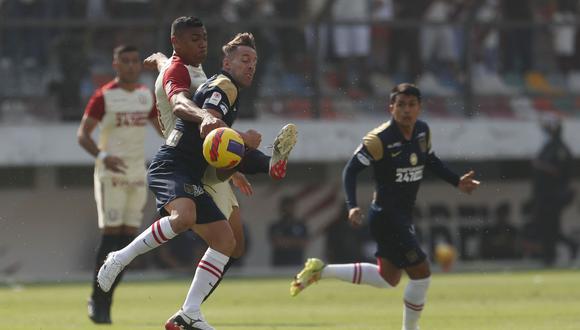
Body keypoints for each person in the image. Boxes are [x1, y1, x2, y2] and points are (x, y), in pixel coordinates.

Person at [98, 29, 295, 330]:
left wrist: (270, 164)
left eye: (254, 61)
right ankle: (119, 258)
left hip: (194, 174)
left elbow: (224, 152)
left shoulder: (224, 88)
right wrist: (244, 140)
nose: (251, 66)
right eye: (244, 59)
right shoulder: (224, 86)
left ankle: (188, 314)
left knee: (226, 241)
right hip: (171, 165)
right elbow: (212, 131)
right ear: (227, 63)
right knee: (184, 215)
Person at [290, 83, 480, 330]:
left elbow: (430, 160)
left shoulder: (422, 132)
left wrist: (457, 181)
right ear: (391, 107)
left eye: (411, 105)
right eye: (401, 105)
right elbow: (350, 170)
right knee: (421, 274)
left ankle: (321, 271)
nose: (406, 110)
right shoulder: (379, 139)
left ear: (419, 107)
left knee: (387, 278)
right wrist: (351, 206)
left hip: (402, 215)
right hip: (387, 216)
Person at [76, 45, 162, 324]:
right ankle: (98, 299)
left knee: (127, 242)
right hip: (111, 174)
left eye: (135, 61)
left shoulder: (144, 96)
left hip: (137, 175)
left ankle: (105, 299)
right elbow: (83, 135)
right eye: (125, 61)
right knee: (110, 236)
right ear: (115, 64)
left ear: (139, 65)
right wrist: (103, 156)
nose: (130, 66)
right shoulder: (104, 97)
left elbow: (163, 129)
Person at [531, 114, 577, 266]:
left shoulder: (559, 148)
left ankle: (550, 257)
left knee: (549, 227)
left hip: (553, 195)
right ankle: (552, 254)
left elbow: (559, 171)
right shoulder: (549, 145)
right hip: (545, 195)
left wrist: (540, 166)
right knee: (546, 227)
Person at [268, 196, 309, 266]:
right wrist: (295, 242)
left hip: (296, 263)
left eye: (291, 207)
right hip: (279, 263)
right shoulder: (275, 226)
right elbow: (277, 242)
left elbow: (304, 243)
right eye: (286, 207)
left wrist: (286, 242)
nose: (288, 209)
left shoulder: (301, 225)